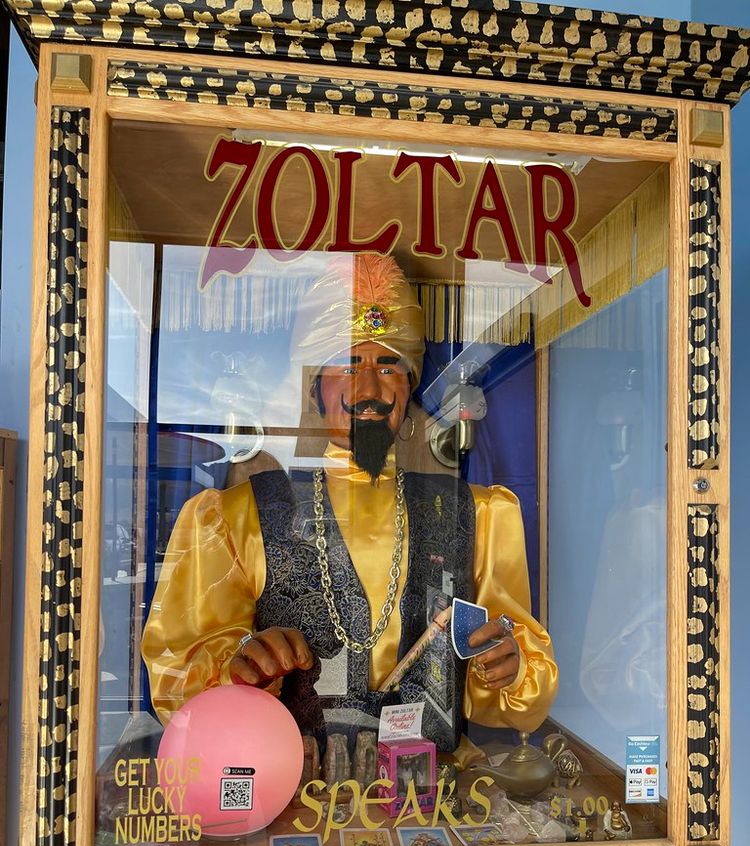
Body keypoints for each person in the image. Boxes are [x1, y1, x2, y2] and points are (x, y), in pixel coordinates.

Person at [142, 254, 558, 759]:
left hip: (432, 808)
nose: (369, 389)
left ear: (409, 387)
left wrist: (507, 667)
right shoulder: (235, 518)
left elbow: (512, 695)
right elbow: (177, 677)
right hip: (291, 797)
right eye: (347, 365)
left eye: (388, 366)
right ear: (315, 387)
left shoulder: (479, 515)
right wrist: (240, 668)